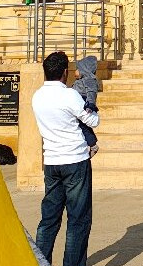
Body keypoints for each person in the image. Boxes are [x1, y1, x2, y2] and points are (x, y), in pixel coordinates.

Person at [31, 51, 100, 266]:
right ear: (64, 72)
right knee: (78, 220)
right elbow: (93, 121)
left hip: (52, 162)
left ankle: (41, 262)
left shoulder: (37, 96)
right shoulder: (69, 95)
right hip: (75, 160)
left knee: (49, 219)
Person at [71, 55, 100, 157]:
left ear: (84, 70)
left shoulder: (89, 79)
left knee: (83, 125)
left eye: (77, 69)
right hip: (77, 101)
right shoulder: (81, 80)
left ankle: (93, 145)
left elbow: (91, 92)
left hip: (83, 102)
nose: (75, 71)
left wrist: (90, 104)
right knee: (81, 125)